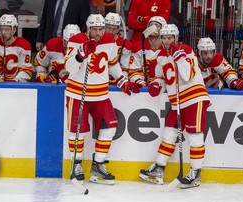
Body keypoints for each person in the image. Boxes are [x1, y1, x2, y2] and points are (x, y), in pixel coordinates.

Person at [64, 14, 140, 185]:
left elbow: (112, 64)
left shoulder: (109, 40)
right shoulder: (76, 40)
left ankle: (98, 165)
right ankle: (76, 165)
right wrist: (80, 54)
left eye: (100, 29)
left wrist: (122, 81)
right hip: (78, 94)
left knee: (110, 128)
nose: (98, 33)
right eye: (94, 29)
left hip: (100, 94)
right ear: (88, 28)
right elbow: (68, 67)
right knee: (78, 132)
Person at [139, 24, 210, 188]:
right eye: (164, 37)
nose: (166, 40)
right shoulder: (161, 56)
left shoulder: (185, 50)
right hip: (177, 102)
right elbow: (161, 77)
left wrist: (179, 57)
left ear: (176, 38)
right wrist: (157, 84)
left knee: (195, 136)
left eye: (170, 37)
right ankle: (159, 168)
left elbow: (187, 75)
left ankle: (196, 173)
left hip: (194, 98)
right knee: (169, 133)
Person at [0, 14, 32, 82]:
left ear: (14, 29)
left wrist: (16, 80)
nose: (3, 32)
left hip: (17, 87)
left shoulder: (24, 45)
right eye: (1, 29)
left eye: (7, 29)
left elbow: (25, 69)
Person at [129, 16, 166, 87]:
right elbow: (134, 71)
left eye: (156, 25)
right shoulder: (138, 46)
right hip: (145, 89)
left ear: (163, 29)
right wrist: (140, 82)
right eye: (150, 25)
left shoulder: (168, 48)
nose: (152, 28)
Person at [104, 12, 132, 84]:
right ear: (104, 27)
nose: (110, 31)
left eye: (114, 29)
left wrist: (121, 80)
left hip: (117, 78)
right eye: (108, 28)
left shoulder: (125, 44)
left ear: (118, 29)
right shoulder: (97, 41)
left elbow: (125, 67)